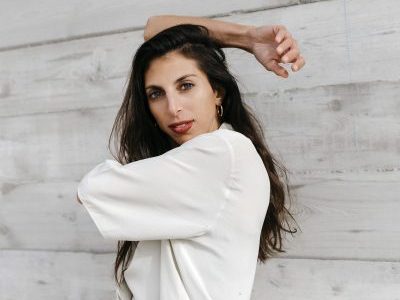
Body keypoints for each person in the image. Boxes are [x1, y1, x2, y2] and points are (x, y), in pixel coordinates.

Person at [76, 15, 303, 300]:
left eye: (186, 86)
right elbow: (153, 29)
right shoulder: (214, 156)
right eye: (156, 94)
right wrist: (247, 37)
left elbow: (91, 189)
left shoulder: (222, 153)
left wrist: (248, 37)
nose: (173, 107)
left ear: (217, 91)